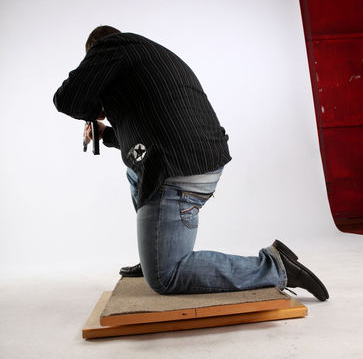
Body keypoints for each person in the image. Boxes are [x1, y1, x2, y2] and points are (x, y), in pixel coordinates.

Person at [53, 25, 329, 300]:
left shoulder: (109, 46)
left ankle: (274, 267)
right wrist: (104, 132)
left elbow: (66, 99)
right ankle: (156, 248)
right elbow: (148, 131)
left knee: (164, 277)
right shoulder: (148, 54)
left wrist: (96, 106)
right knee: (134, 171)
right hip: (198, 159)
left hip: (177, 173)